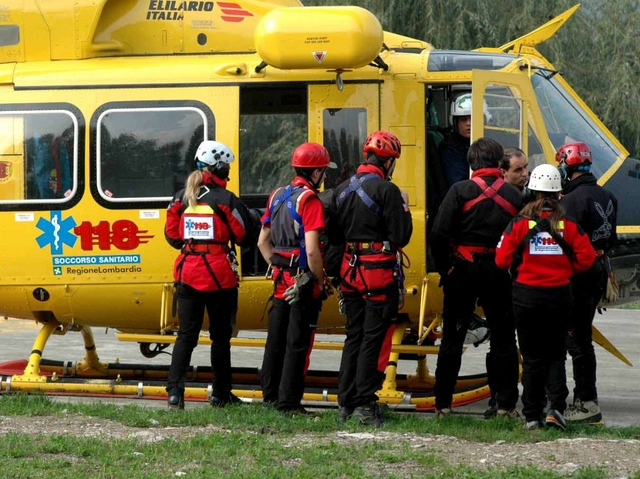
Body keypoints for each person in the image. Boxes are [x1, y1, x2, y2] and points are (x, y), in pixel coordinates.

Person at [496, 164, 596, 431]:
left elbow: (501, 259)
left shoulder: (518, 224)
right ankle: (556, 410)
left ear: (531, 191)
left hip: (526, 297)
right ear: (559, 193)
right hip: (559, 296)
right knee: (555, 355)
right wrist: (565, 270)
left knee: (531, 357)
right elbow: (587, 259)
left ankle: (531, 416)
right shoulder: (569, 225)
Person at [431, 137, 521, 420]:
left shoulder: (459, 190)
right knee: (504, 339)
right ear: (499, 164)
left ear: (471, 163)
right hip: (499, 272)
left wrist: (446, 267)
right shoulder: (515, 196)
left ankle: (443, 405)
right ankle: (504, 405)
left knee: (452, 340)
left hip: (463, 271)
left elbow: (438, 234)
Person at [165, 140, 254, 410]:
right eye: (226, 168)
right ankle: (221, 394)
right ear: (218, 168)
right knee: (220, 338)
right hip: (219, 277)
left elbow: (172, 236)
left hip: (187, 272)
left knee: (186, 336)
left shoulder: (180, 198)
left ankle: (174, 393)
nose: (228, 173)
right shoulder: (226, 200)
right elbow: (244, 235)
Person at [332, 130, 413, 426]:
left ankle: (345, 403)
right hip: (377, 276)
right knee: (372, 338)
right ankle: (366, 403)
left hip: (350, 273)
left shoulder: (341, 189)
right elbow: (401, 235)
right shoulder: (387, 191)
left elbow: (334, 235)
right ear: (389, 161)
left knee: (353, 336)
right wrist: (403, 205)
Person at [258, 142, 336, 415]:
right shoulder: (309, 200)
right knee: (298, 342)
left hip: (280, 280)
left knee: (276, 339)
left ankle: (270, 397)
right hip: (302, 284)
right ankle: (289, 403)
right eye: (324, 171)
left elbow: (262, 243)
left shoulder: (277, 195)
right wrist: (319, 280)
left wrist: (279, 266)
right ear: (316, 173)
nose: (324, 176)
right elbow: (313, 249)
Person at [557, 142, 618, 424]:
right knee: (582, 337)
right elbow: (611, 240)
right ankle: (585, 399)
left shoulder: (569, 202)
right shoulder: (607, 196)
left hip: (578, 274)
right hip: (598, 269)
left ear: (567, 168)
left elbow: (564, 243)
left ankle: (586, 401)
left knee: (576, 340)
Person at [439, 92, 492, 188]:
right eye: (463, 119)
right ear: (455, 123)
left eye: (473, 118)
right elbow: (459, 182)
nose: (468, 123)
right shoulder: (450, 148)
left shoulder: (491, 140)